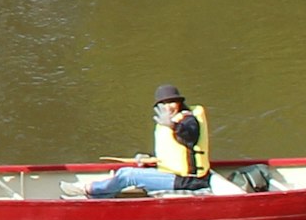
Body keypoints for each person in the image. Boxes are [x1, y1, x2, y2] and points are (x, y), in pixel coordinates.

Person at [84, 84, 212, 196]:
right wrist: (148, 158)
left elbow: (190, 135)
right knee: (123, 171)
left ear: (179, 103)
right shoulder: (167, 121)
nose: (168, 107)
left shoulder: (188, 120)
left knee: (128, 177)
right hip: (173, 174)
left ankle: (90, 190)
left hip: (188, 181)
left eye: (172, 102)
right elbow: (171, 151)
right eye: (164, 103)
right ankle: (98, 199)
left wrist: (174, 126)